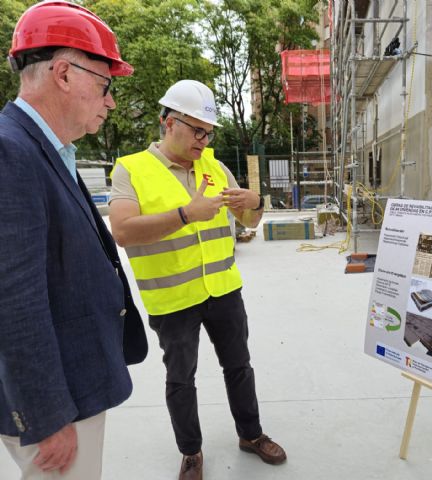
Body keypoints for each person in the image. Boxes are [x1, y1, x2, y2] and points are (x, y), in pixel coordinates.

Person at [109, 79, 286, 480]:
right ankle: (190, 452)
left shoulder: (215, 167)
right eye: (197, 131)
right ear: (168, 122)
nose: (204, 141)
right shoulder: (131, 169)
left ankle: (251, 434)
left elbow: (249, 221)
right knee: (180, 380)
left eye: (209, 133)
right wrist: (186, 214)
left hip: (223, 291)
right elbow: (123, 231)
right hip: (173, 298)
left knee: (239, 366)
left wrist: (257, 202)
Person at [0, 2, 147, 479]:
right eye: (105, 85)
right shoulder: (10, 152)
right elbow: (14, 300)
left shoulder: (44, 148)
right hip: (55, 403)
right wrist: (46, 415)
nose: (110, 102)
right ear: (63, 73)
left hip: (72, 380)